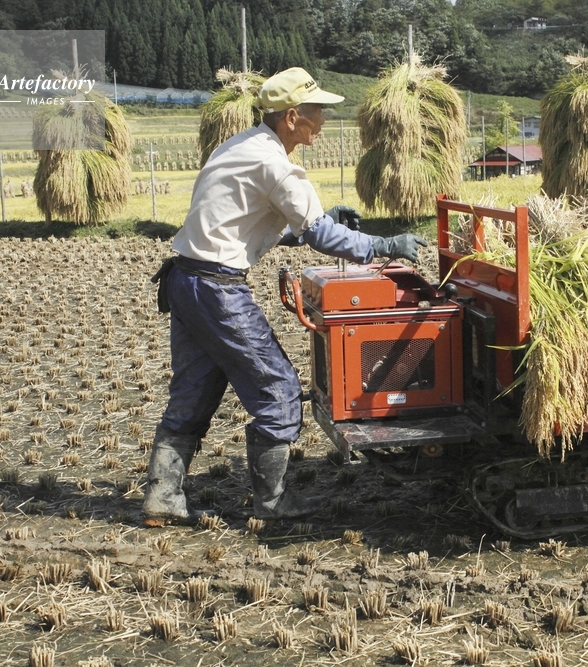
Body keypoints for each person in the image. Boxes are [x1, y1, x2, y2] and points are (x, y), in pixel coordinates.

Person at [143, 67, 426, 525]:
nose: (324, 120)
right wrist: (383, 244)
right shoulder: (276, 163)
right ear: (292, 116)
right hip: (217, 289)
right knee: (279, 391)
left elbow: (248, 218)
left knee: (194, 391)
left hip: (185, 280)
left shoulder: (240, 145)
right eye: (318, 111)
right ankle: (273, 502)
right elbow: (319, 235)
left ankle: (162, 497)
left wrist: (320, 220)